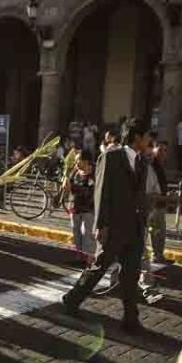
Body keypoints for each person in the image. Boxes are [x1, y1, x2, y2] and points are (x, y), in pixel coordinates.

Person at [62, 118, 151, 333]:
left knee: (131, 274)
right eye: (147, 136)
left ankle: (131, 320)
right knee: (99, 267)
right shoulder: (110, 157)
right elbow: (101, 192)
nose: (149, 140)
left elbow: (139, 195)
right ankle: (72, 299)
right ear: (137, 137)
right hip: (113, 227)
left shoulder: (142, 161)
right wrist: (101, 225)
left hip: (135, 228)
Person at [64, 150, 96, 265]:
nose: (76, 162)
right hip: (75, 206)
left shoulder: (95, 173)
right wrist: (66, 186)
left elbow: (89, 191)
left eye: (79, 160)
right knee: (76, 233)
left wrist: (72, 187)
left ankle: (89, 259)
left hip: (89, 207)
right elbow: (69, 188)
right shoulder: (75, 172)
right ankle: (79, 257)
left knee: (87, 233)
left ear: (86, 161)